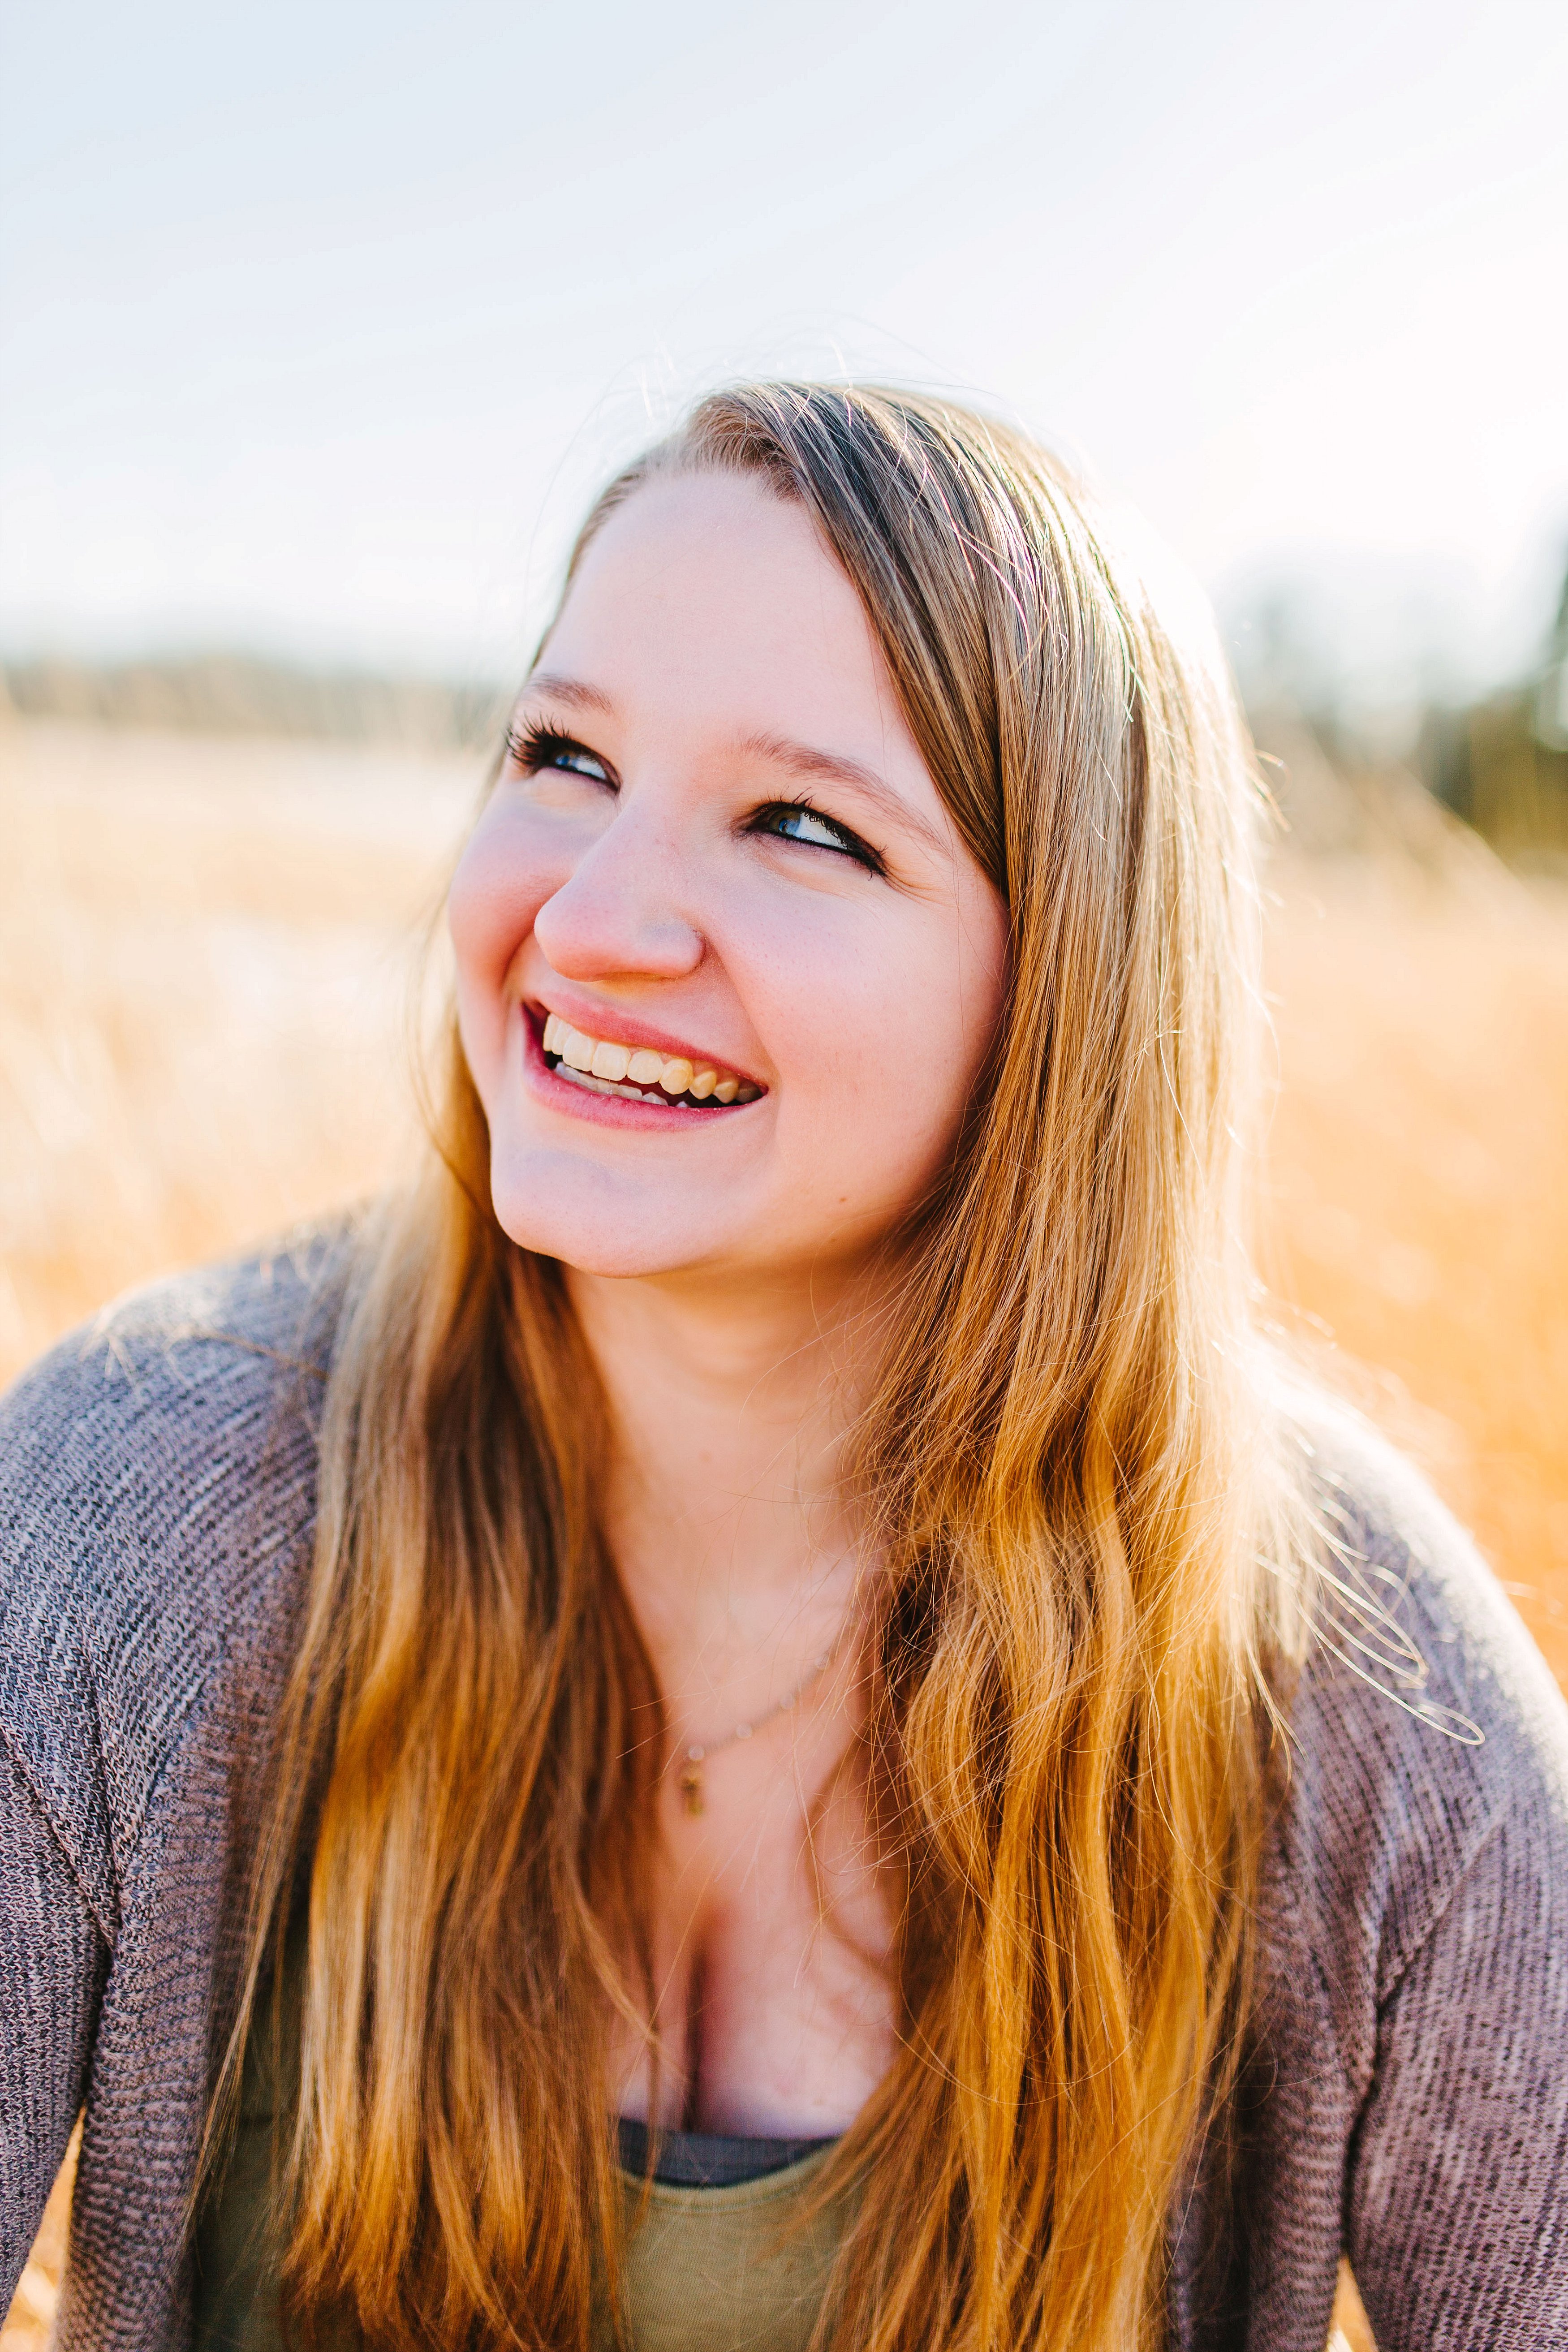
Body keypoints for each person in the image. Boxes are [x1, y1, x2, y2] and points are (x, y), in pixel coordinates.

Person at [2, 383, 1564, 2352]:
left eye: (801, 824)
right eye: (561, 757)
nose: (589, 922)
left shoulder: (1361, 1704)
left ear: (1067, 985)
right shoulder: (125, 1511)